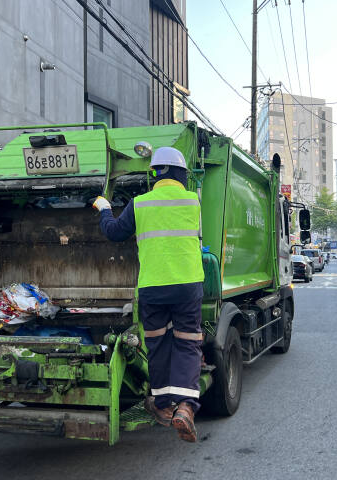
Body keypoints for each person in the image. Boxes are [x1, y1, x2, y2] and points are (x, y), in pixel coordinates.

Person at [92, 146, 204, 443]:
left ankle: (164, 406)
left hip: (153, 288)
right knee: (188, 343)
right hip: (187, 286)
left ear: (152, 175)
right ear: (181, 175)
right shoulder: (194, 201)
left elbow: (115, 233)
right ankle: (186, 409)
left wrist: (104, 208)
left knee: (157, 345)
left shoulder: (140, 204)